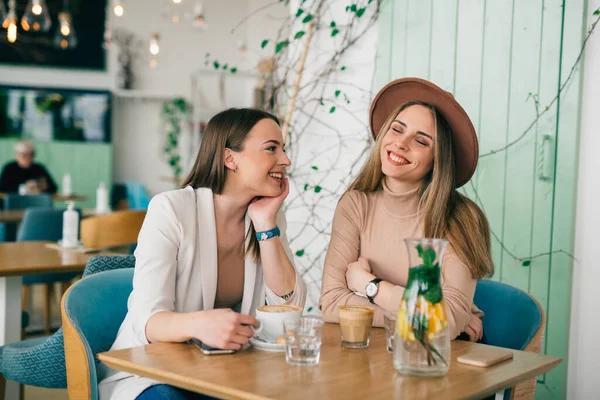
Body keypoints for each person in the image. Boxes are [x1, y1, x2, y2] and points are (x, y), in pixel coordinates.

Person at [99, 108, 307, 400]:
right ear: (229, 158)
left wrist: (266, 226)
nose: (285, 160)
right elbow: (146, 320)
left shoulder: (267, 219)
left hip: (225, 375)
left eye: (283, 149)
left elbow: (290, 307)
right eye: (271, 148)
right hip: (153, 374)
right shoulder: (170, 209)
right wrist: (201, 324)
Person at [319, 78, 493, 342]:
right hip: (376, 355)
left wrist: (370, 287)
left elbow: (445, 323)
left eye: (421, 141)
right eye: (397, 129)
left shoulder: (461, 218)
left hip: (442, 360)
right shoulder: (355, 205)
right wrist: (427, 316)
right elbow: (331, 303)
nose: (401, 143)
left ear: (438, 159)